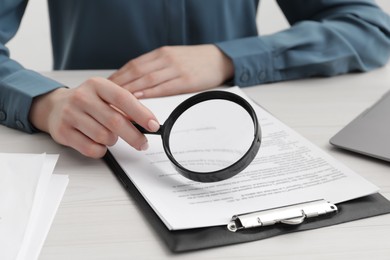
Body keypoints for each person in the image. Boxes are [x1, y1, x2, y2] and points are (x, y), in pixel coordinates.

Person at [1, 0, 389, 158]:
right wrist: (43, 102)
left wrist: (227, 58)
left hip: (240, 140)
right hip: (95, 148)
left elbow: (368, 27)